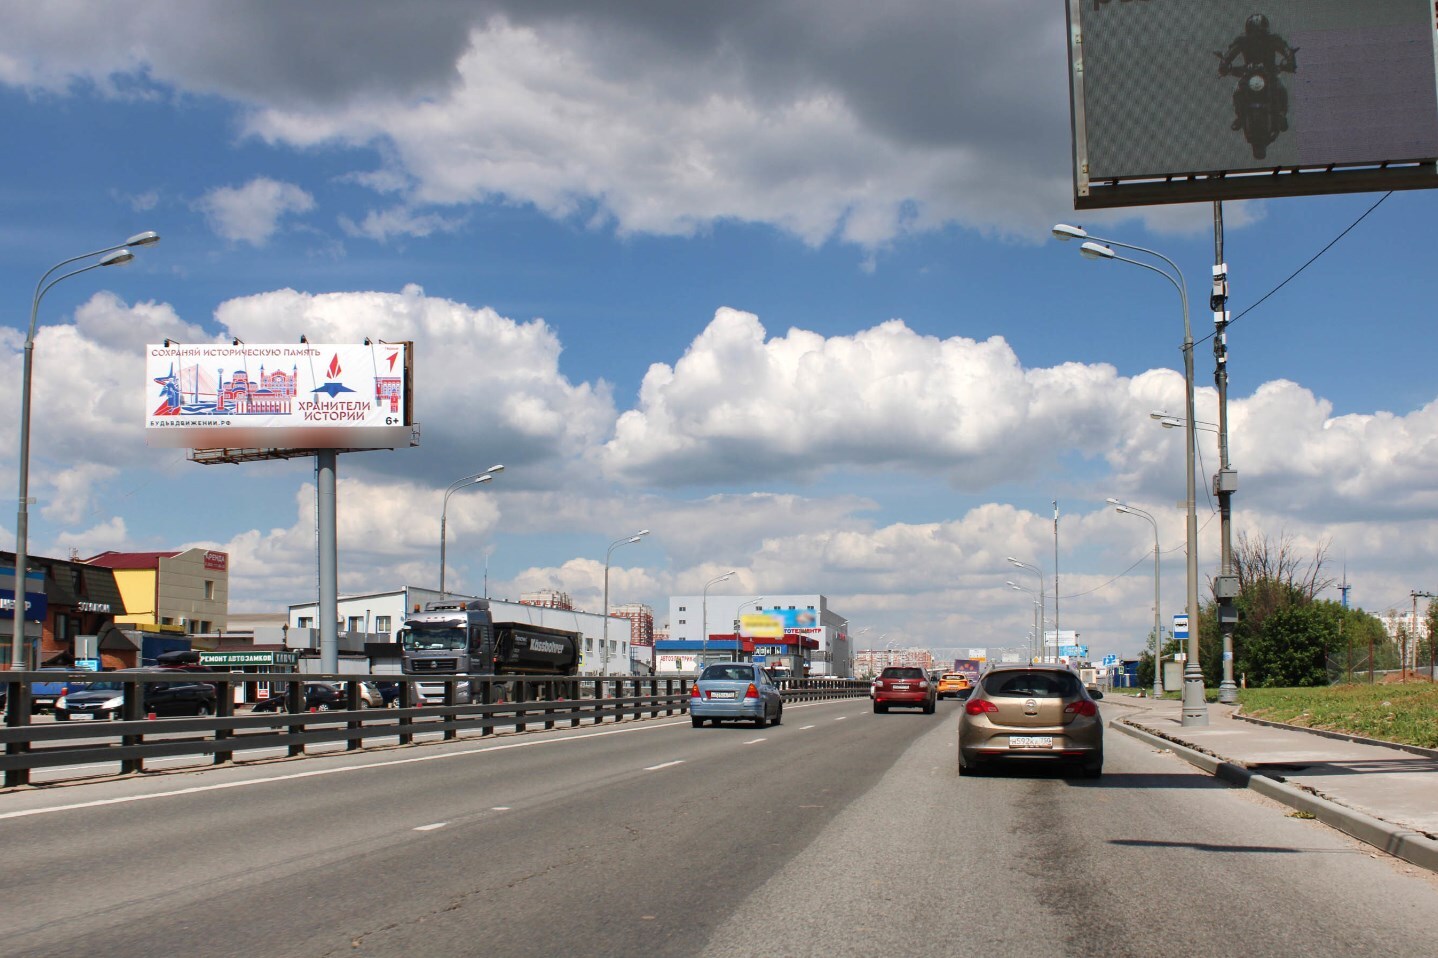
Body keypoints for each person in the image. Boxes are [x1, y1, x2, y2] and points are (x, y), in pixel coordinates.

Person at [1217, 14, 1298, 131]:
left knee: (1281, 88)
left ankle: (1281, 115)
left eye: (1260, 33)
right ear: (1248, 32)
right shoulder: (1242, 40)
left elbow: (1286, 49)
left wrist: (1289, 61)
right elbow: (1230, 53)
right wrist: (1224, 64)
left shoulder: (1274, 39)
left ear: (1266, 31)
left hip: (1270, 73)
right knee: (1237, 90)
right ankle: (1240, 116)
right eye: (1254, 33)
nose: (1257, 36)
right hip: (1249, 74)